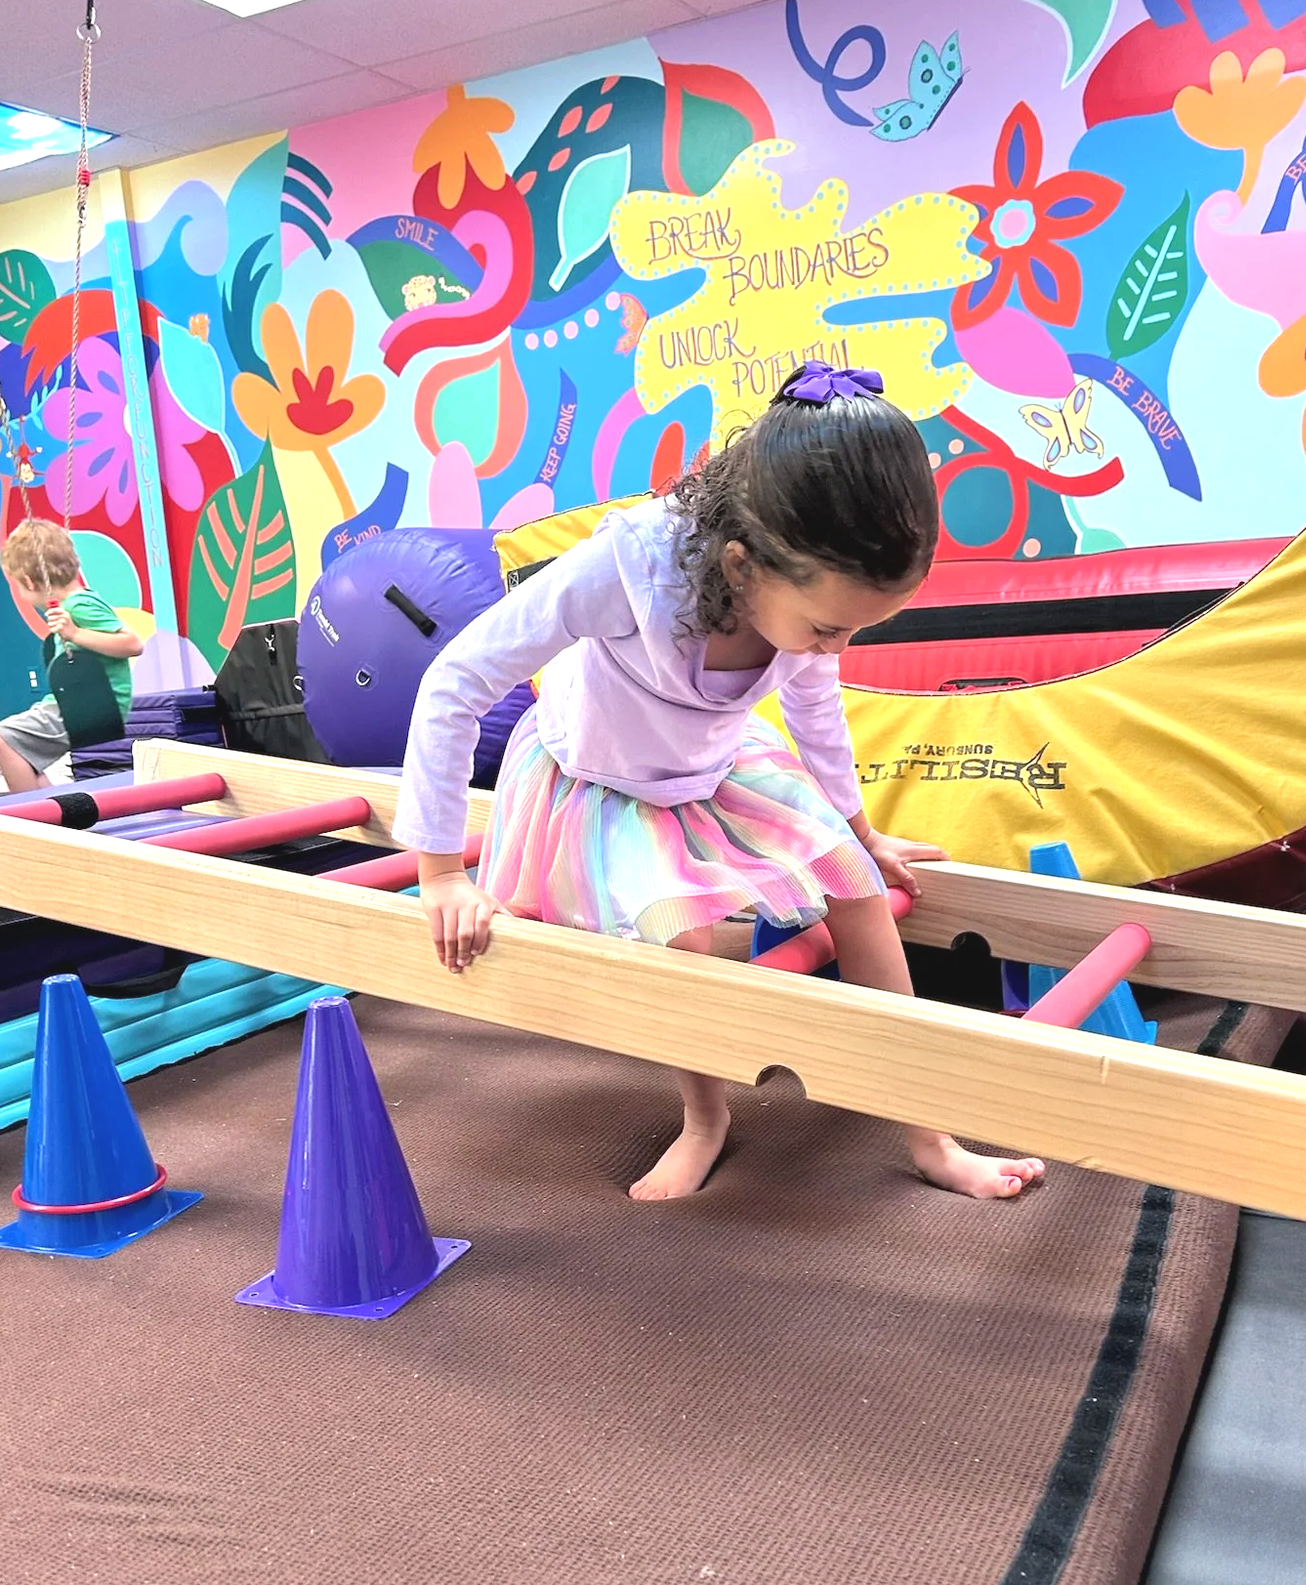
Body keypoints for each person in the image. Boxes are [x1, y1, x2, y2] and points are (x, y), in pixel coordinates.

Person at [396, 362, 1044, 1204]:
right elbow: (455, 680)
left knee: (854, 881)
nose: (834, 647)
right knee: (682, 930)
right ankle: (705, 1121)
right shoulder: (628, 570)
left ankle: (928, 1134)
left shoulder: (801, 613)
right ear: (741, 568)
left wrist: (860, 828)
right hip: (603, 778)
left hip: (716, 764)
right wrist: (442, 872)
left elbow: (816, 712)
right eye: (826, 627)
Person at [0, 518, 142, 793]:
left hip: (92, 706)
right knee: (19, 752)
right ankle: (53, 812)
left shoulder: (78, 605)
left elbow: (132, 644)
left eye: (17, 587)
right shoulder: (76, 604)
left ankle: (35, 820)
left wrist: (74, 634)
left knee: (0, 739)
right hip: (74, 703)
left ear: (29, 581)